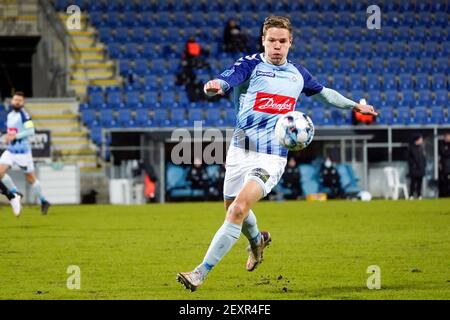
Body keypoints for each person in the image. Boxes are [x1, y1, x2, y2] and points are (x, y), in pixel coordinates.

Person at [177, 16, 377, 291]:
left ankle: (200, 272)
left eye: (282, 41)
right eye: (272, 40)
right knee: (233, 210)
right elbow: (226, 80)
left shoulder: (298, 75)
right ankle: (257, 241)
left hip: (271, 156)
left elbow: (325, 94)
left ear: (290, 43)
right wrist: (214, 86)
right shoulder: (250, 65)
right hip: (240, 150)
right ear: (263, 41)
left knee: (236, 210)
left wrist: (356, 106)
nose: (277, 46)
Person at [0, 92, 51, 214]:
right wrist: (7, 136)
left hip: (23, 152)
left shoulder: (25, 115)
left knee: (31, 178)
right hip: (11, 150)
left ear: (23, 103)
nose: (17, 102)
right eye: (15, 99)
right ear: (12, 101)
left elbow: (31, 131)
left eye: (20, 100)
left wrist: (15, 136)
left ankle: (44, 201)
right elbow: (11, 131)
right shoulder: (10, 115)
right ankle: (15, 193)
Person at [408, 134, 426, 199]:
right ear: (417, 140)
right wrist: (413, 165)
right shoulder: (411, 148)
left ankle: (419, 195)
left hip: (421, 169)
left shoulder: (421, 148)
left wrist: (424, 166)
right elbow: (409, 158)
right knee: (413, 182)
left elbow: (423, 158)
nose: (422, 141)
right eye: (420, 139)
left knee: (419, 183)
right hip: (414, 169)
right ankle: (411, 195)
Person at [439, 132, 450, 197]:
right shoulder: (442, 145)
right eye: (447, 137)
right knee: (445, 182)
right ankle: (445, 195)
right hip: (446, 168)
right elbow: (444, 153)